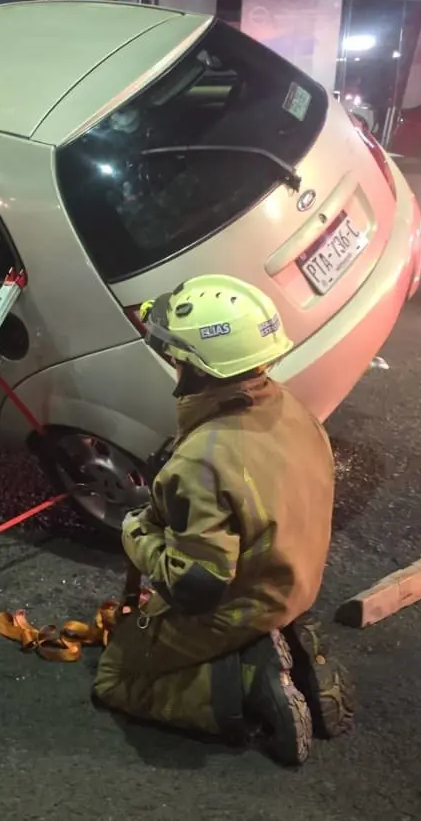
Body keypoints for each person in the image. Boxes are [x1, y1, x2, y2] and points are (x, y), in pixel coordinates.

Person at [91, 274, 350, 766]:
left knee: (116, 679)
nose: (168, 359)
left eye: (175, 354)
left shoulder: (203, 461)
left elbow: (197, 585)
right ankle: (279, 637)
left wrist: (136, 536)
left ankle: (247, 685)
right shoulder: (289, 406)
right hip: (294, 575)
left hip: (243, 600)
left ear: (195, 368)